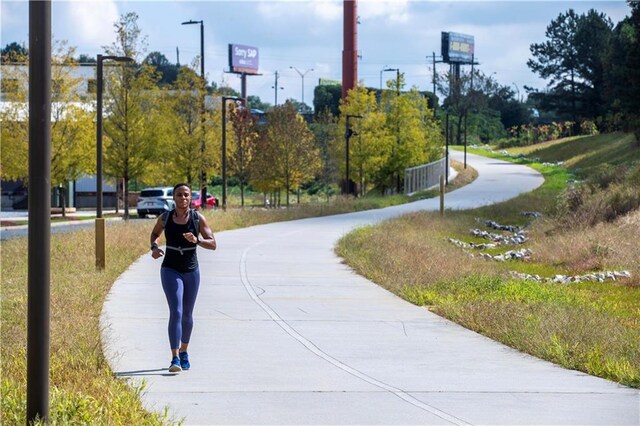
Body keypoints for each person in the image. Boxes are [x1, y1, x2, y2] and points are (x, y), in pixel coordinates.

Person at [149, 183, 217, 373]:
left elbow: (213, 244)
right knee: (176, 311)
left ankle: (185, 351)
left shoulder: (197, 218)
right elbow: (155, 234)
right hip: (170, 268)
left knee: (187, 313)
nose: (183, 198)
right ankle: (175, 358)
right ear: (174, 198)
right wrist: (154, 248)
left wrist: (198, 241)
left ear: (190, 198)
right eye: (179, 195)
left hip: (191, 270)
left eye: (186, 195)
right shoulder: (166, 218)